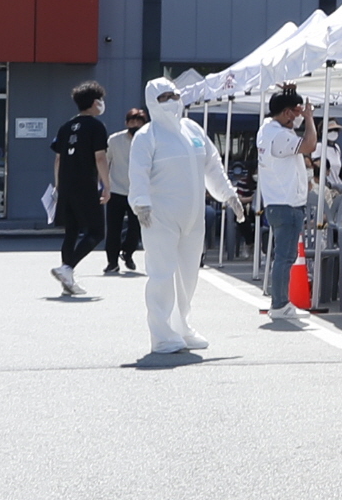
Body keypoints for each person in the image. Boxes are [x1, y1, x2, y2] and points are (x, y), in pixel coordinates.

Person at [131, 78, 236, 355]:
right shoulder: (147, 136)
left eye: (175, 95)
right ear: (153, 102)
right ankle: (162, 334)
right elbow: (138, 173)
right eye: (165, 96)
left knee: (188, 274)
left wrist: (228, 194)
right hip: (159, 217)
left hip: (193, 216)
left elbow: (212, 164)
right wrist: (141, 204)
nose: (173, 100)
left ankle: (182, 326)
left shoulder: (193, 129)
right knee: (162, 274)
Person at [254, 90, 317, 319]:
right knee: (285, 257)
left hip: (277, 202)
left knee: (283, 256)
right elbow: (310, 145)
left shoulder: (267, 130)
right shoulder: (280, 136)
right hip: (287, 204)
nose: (300, 116)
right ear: (287, 112)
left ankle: (280, 302)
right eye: (297, 111)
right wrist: (309, 118)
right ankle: (280, 304)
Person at [48, 82, 111, 296]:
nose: (102, 104)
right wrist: (106, 186)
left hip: (66, 185)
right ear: (95, 102)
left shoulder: (66, 127)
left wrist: (58, 186)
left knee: (71, 232)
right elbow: (100, 157)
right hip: (86, 185)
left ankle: (68, 280)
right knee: (96, 231)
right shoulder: (96, 126)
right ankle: (67, 268)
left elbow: (58, 159)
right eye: (100, 100)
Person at [103, 103, 148, 276]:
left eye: (139, 122)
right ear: (126, 122)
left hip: (139, 191)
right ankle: (111, 262)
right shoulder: (114, 140)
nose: (135, 126)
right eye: (132, 122)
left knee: (136, 228)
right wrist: (104, 185)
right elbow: (105, 162)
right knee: (113, 228)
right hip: (116, 190)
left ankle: (128, 252)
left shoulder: (149, 140)